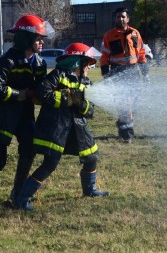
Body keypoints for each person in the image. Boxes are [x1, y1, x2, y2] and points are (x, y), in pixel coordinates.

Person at [13, 43, 109, 211]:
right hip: (56, 127)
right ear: (78, 63)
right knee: (50, 163)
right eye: (87, 64)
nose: (89, 68)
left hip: (77, 129)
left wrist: (81, 104)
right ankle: (22, 199)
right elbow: (43, 92)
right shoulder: (58, 75)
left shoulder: (86, 82)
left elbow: (90, 111)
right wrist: (67, 99)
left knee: (92, 157)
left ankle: (90, 189)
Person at [0, 14, 53, 209]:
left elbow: (41, 88)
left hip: (22, 114)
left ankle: (18, 192)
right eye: (38, 39)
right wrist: (18, 94)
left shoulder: (39, 63)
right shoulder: (8, 61)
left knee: (29, 148)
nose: (41, 43)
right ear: (26, 39)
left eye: (42, 39)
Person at [99, 7, 147, 143]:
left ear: (128, 19)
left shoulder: (135, 34)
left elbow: (141, 54)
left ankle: (122, 124)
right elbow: (104, 58)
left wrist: (145, 73)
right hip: (118, 72)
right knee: (125, 104)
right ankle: (127, 134)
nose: (120, 19)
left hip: (133, 71)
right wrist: (106, 76)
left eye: (123, 16)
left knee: (135, 103)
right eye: (118, 17)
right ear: (115, 19)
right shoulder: (109, 36)